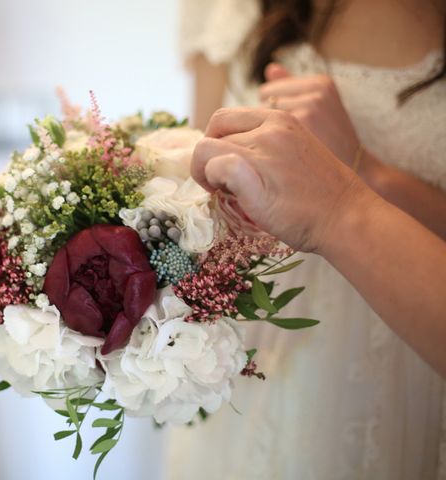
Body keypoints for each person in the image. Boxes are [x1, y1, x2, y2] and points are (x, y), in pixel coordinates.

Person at [167, 1, 446, 479]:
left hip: (413, 346)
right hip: (256, 357)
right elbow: (197, 189)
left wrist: (364, 170)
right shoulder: (225, 10)